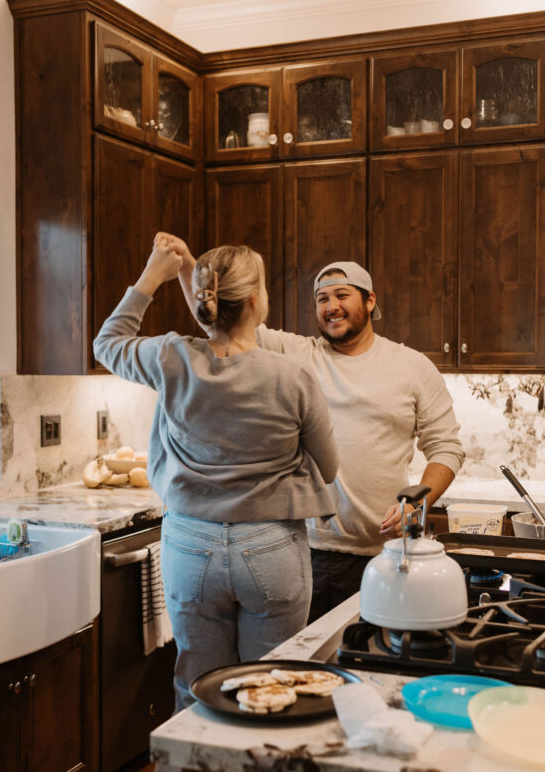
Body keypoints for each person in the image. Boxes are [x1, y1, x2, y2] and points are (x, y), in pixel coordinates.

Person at [93, 240, 338, 772]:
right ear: (257, 300)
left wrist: (152, 276)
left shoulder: (170, 358)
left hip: (191, 550)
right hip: (269, 554)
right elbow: (331, 467)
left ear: (203, 301)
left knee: (195, 699)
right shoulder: (290, 377)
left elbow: (109, 341)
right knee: (278, 701)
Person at [157, 235, 465, 624]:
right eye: (322, 298)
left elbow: (447, 449)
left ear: (370, 301)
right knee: (301, 670)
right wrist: (188, 263)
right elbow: (218, 318)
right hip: (302, 550)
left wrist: (418, 503)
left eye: (342, 295)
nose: (331, 306)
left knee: (368, 661)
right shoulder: (295, 353)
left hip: (383, 555)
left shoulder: (413, 366)